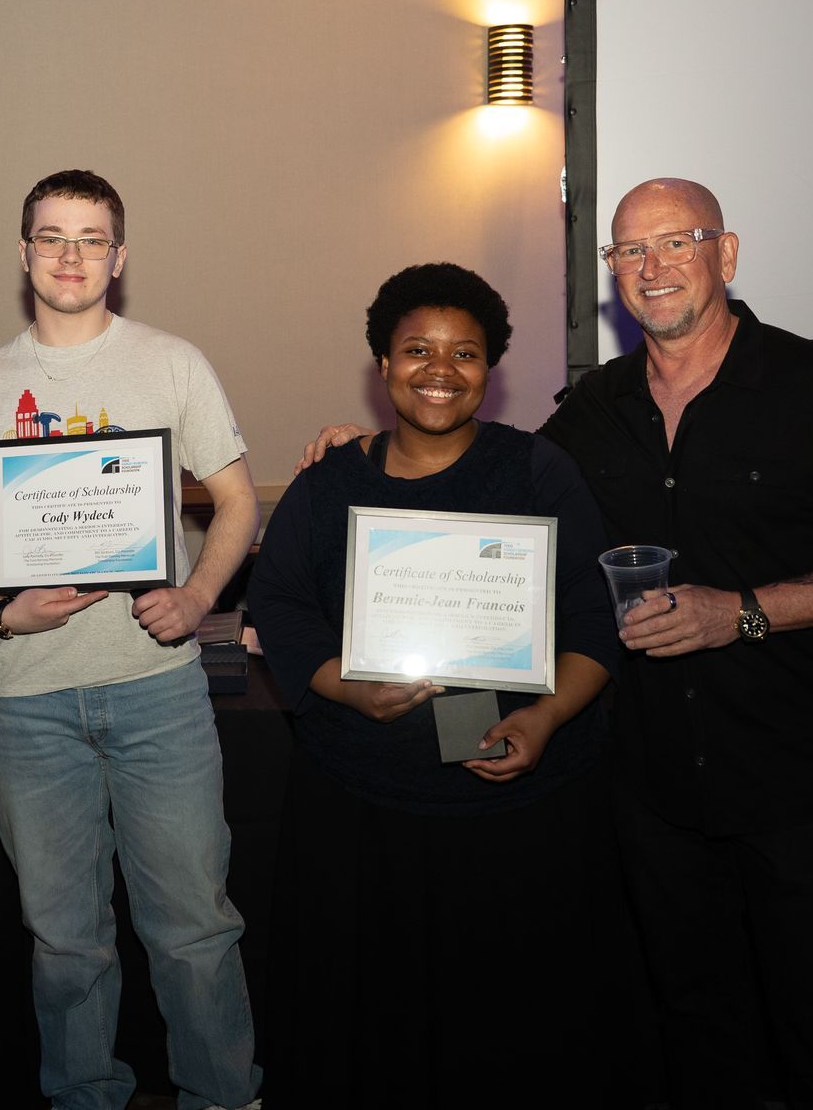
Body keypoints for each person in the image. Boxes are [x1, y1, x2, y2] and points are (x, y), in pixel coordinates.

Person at [536, 178, 813, 1108]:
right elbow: (502, 496)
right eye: (629, 252)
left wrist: (742, 612)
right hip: (655, 786)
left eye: (676, 242)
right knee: (696, 1030)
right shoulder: (592, 410)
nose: (652, 267)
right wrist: (374, 450)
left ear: (726, 254)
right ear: (612, 275)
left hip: (800, 780)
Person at [0, 169, 263, 1110]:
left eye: (91, 238)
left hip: (157, 687)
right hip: (28, 702)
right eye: (51, 236)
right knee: (66, 941)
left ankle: (224, 1099)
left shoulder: (172, 364)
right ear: (23, 251)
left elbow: (235, 501)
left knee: (194, 930)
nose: (70, 255)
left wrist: (196, 597)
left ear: (121, 256)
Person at [247, 263, 619, 1108]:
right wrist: (345, 688)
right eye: (417, 349)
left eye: (466, 353)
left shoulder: (539, 472)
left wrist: (547, 717)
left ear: (491, 370)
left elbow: (594, 620)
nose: (439, 370)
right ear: (382, 364)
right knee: (372, 1016)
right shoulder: (331, 482)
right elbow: (281, 603)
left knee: (505, 1014)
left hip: (513, 804)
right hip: (361, 803)